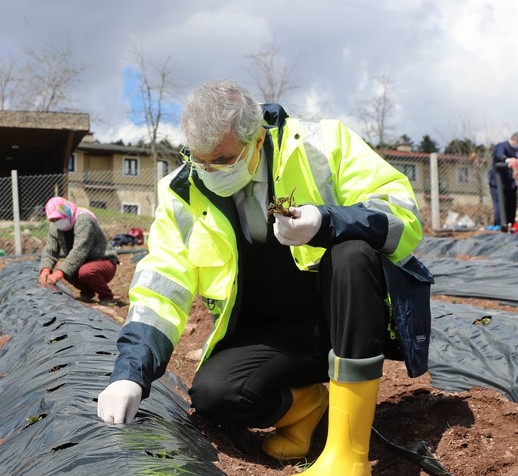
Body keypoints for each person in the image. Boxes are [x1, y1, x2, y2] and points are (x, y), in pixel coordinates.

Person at [96, 79, 433, 475]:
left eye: (221, 160)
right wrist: (130, 374)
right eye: (196, 158)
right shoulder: (182, 194)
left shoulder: (322, 144)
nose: (207, 171)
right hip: (270, 335)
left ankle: (348, 453)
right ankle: (308, 405)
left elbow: (402, 215)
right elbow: (162, 284)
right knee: (214, 396)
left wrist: (329, 220)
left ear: (256, 140)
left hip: (343, 321)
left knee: (352, 252)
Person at [39, 197, 120, 305]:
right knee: (69, 271)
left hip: (104, 261)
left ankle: (106, 296)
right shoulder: (55, 227)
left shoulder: (83, 220)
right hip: (82, 263)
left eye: (57, 219)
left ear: (66, 212)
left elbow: (80, 249)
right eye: (52, 220)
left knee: (83, 271)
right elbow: (50, 249)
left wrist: (59, 273)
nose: (55, 222)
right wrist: (45, 269)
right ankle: (88, 291)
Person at [490, 133, 518, 229]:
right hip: (499, 184)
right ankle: (499, 228)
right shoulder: (502, 146)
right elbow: (499, 156)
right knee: (500, 208)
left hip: (511, 184)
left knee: (511, 207)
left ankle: (510, 226)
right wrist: (508, 160)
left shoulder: (515, 150)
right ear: (514, 140)